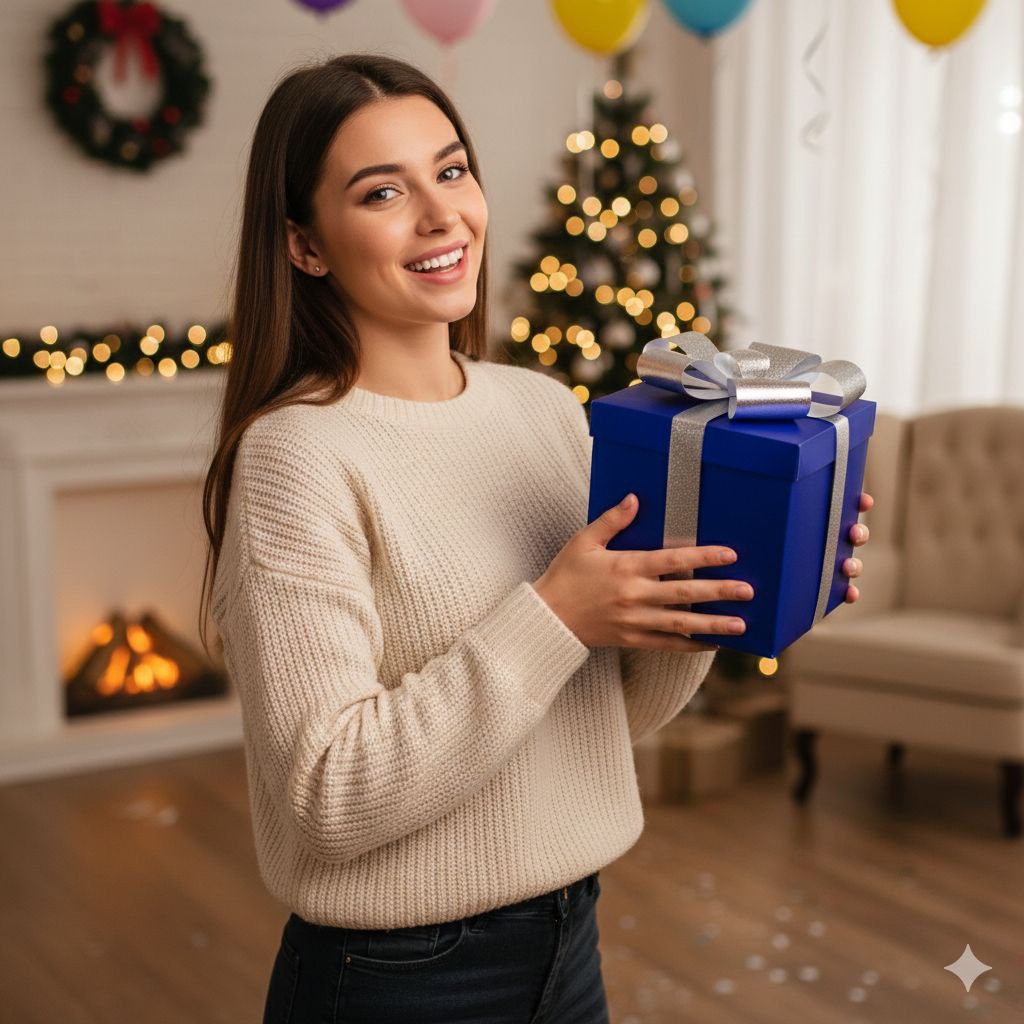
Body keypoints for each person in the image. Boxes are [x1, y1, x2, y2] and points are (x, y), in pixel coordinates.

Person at [198, 52, 873, 1024]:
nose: (441, 215)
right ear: (306, 246)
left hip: (570, 944)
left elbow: (596, 717)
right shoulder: (295, 456)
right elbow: (330, 796)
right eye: (384, 191)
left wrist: (736, 581)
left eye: (451, 170)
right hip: (400, 980)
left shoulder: (544, 408)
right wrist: (554, 613)